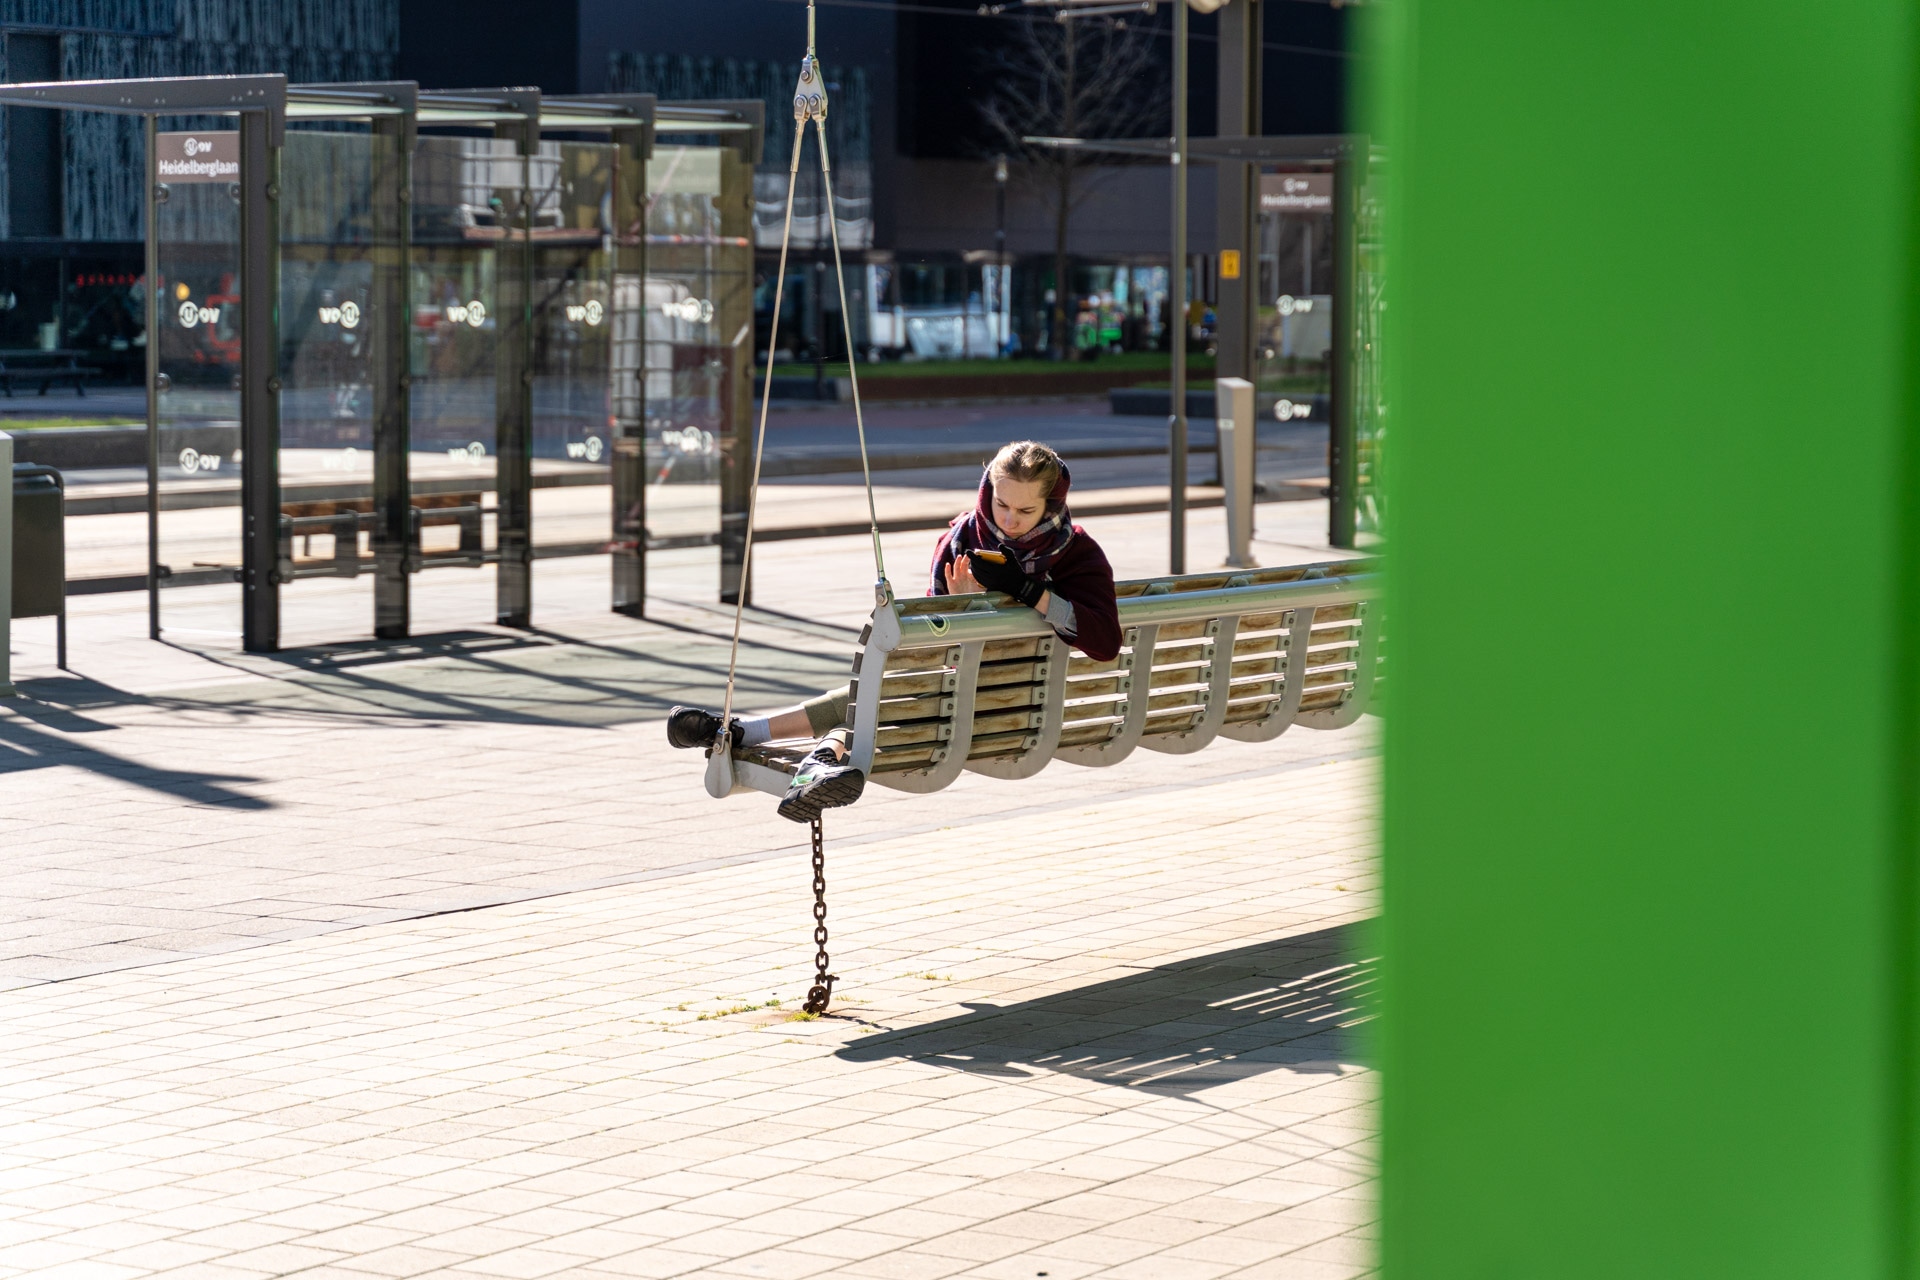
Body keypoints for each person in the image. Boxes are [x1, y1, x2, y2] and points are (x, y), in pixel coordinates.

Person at [668, 440, 1121, 823]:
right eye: (1001, 504)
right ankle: (751, 735)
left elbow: (1104, 641)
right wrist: (958, 602)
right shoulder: (962, 539)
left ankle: (807, 750)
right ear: (987, 492)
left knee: (884, 689)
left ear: (1052, 505)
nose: (1009, 520)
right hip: (949, 689)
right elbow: (933, 640)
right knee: (885, 685)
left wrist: (1027, 590)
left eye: (1027, 509)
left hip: (1015, 703)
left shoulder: (1075, 555)